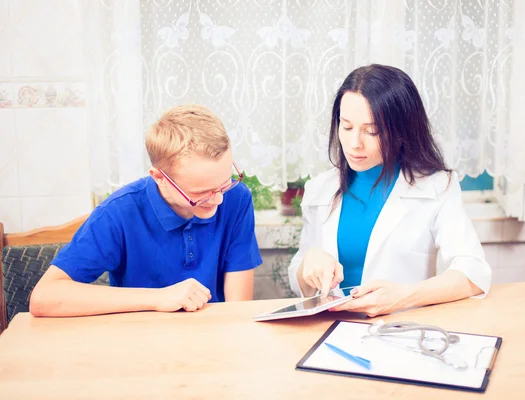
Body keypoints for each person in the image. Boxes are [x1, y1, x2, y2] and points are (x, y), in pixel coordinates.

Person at [288, 64, 491, 317]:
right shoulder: (320, 189)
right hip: (331, 333)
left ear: (401, 132)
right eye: (346, 127)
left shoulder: (437, 187)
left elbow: (473, 272)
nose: (354, 144)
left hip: (399, 332)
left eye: (371, 131)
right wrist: (309, 266)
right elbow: (299, 277)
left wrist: (401, 297)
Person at [30, 105, 262, 317]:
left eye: (225, 182)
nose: (219, 199)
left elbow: (237, 312)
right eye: (201, 193)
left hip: (213, 341)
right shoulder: (119, 212)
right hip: (137, 344)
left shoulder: (236, 198)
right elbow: (44, 298)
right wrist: (159, 298)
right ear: (160, 178)